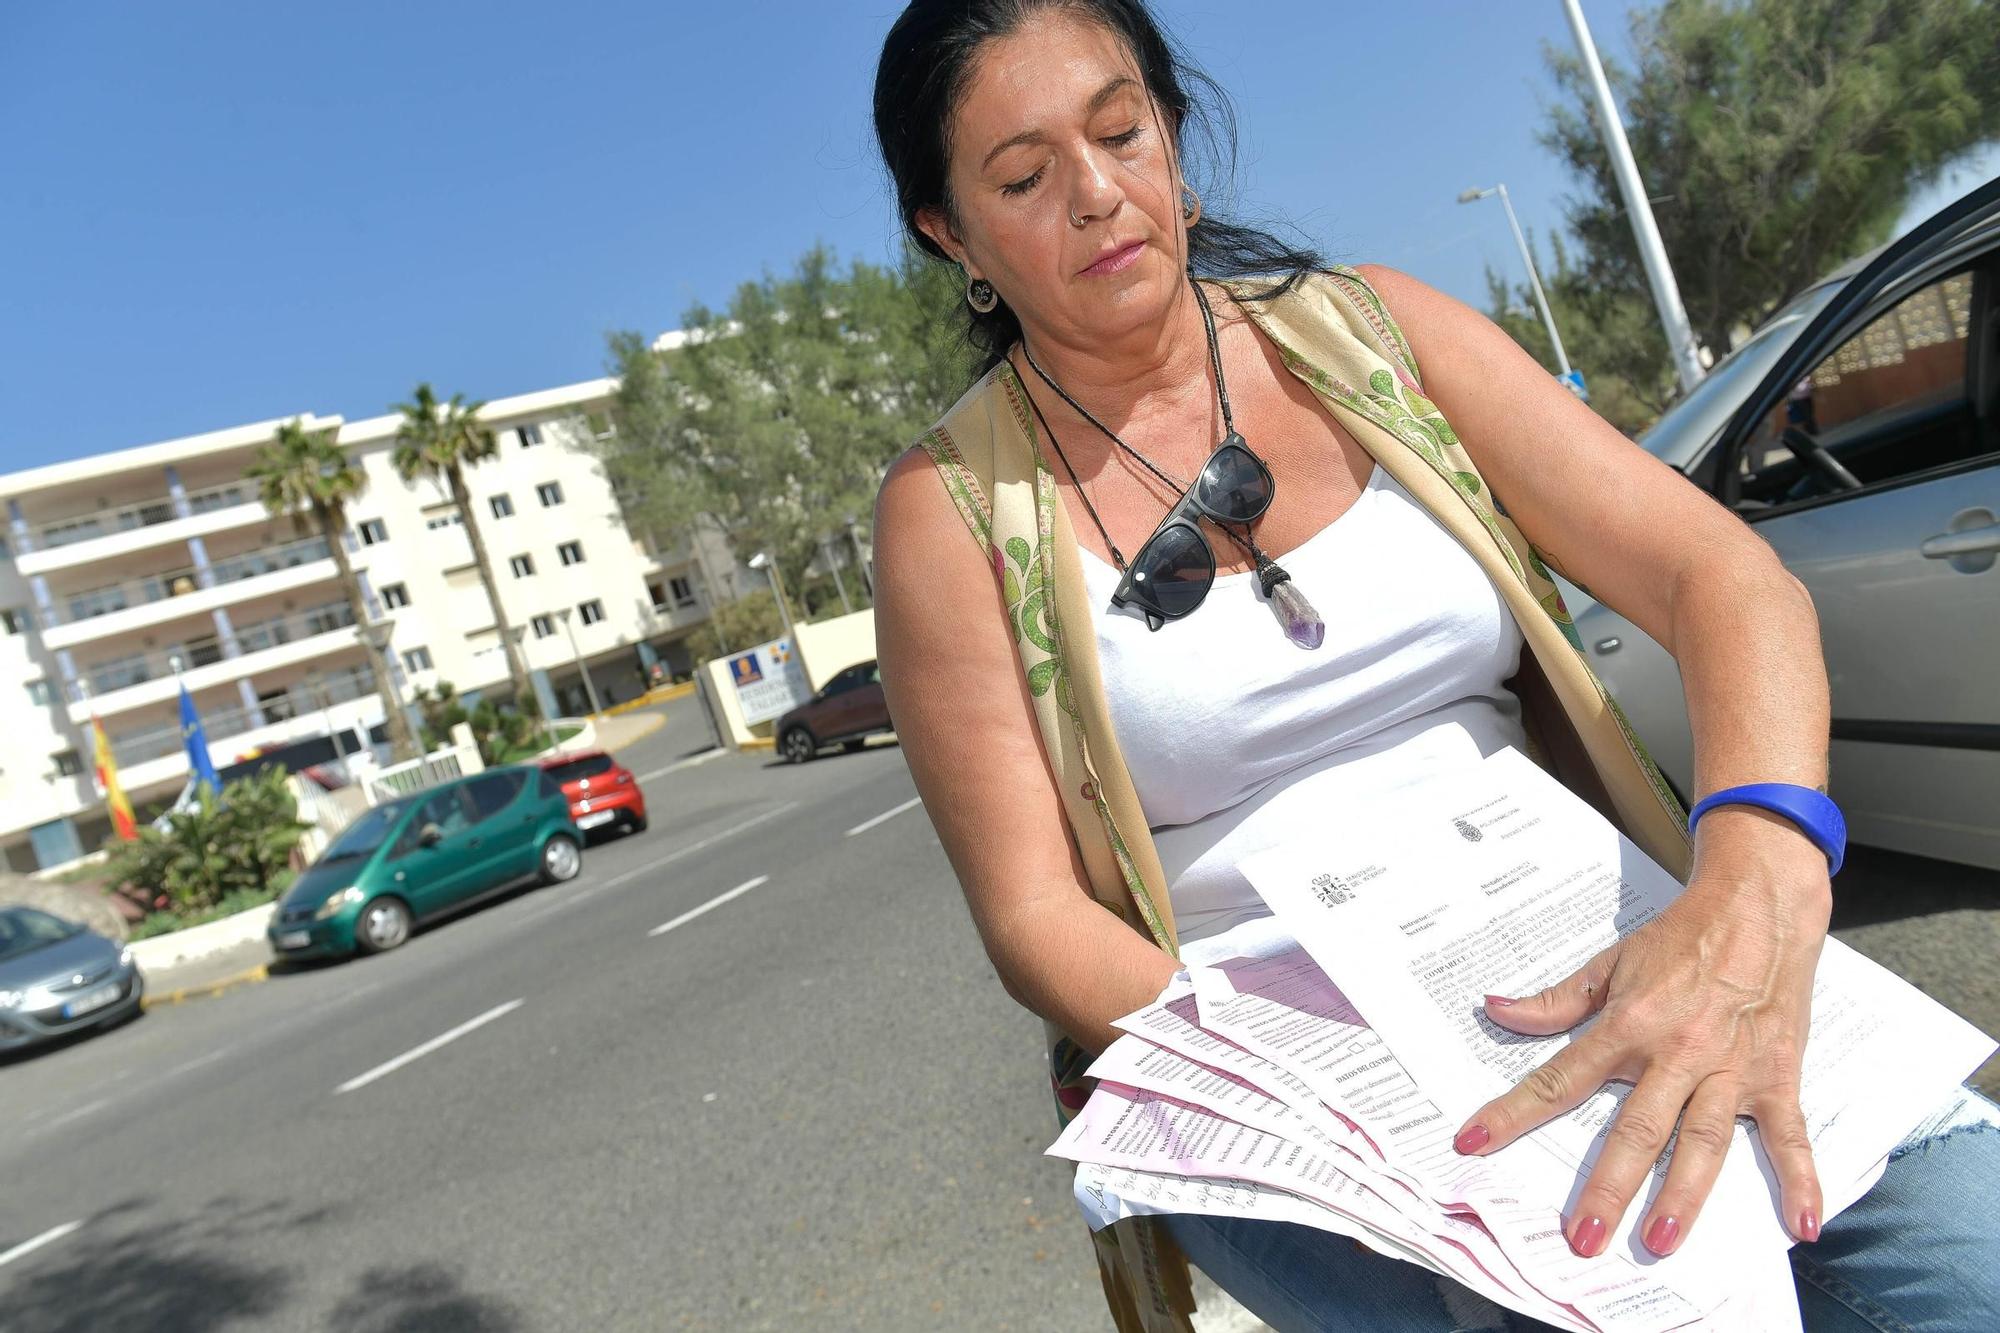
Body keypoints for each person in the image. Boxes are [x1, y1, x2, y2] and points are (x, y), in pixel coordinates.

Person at [868, 3, 2000, 1330]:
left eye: (1122, 132)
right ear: (953, 234)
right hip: (1272, 1055)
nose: (1099, 192)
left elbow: (1725, 579)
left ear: (1173, 133)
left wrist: (1758, 870)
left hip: (1576, 939)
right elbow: (1035, 916)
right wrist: (1320, 1087)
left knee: (1967, 1245)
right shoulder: (949, 511)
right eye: (1023, 175)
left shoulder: (1374, 336)